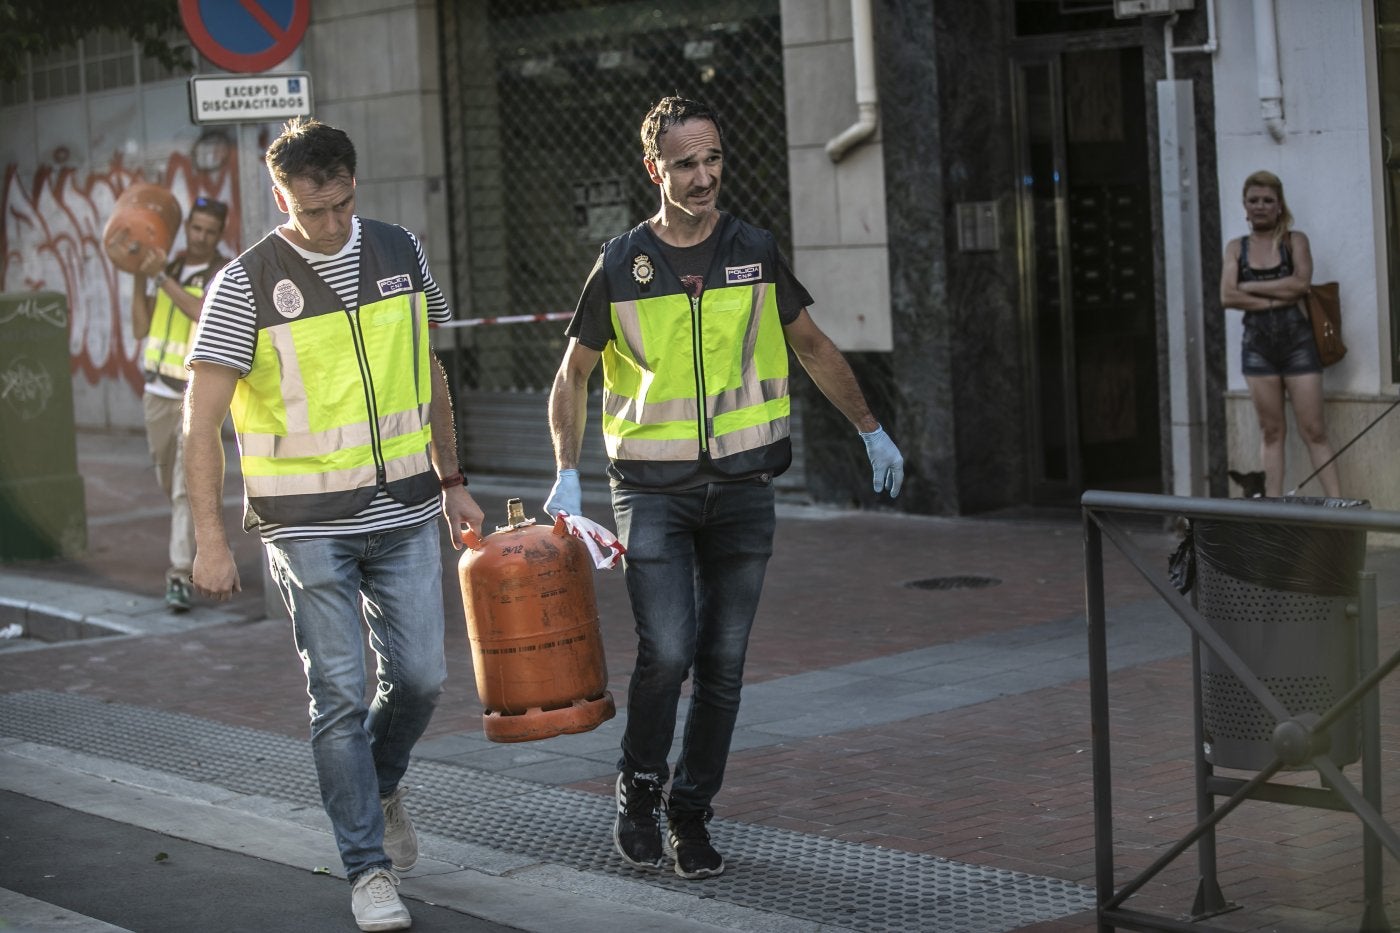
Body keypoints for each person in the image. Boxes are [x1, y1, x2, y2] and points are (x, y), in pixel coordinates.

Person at [545, 96, 903, 881]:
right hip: (653, 492)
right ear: (655, 170)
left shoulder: (753, 249)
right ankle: (640, 787)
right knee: (667, 652)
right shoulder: (619, 263)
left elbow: (809, 345)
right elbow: (570, 376)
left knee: (725, 665)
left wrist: (869, 425)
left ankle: (690, 812)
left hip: (743, 489)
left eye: (712, 160)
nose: (703, 176)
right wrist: (566, 472)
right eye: (685, 164)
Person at [183, 117, 484, 932]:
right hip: (305, 523)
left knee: (422, 679)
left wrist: (453, 478)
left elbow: (429, 372)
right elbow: (200, 419)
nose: (331, 225)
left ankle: (381, 784)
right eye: (313, 210)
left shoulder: (401, 251)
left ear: (355, 184)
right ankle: (367, 868)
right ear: (279, 196)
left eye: (343, 204)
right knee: (340, 694)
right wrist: (211, 540)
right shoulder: (243, 283)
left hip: (408, 509)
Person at [130, 196, 229, 611]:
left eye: (209, 231)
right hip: (156, 394)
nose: (201, 237)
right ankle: (185, 549)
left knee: (182, 492)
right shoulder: (166, 266)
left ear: (219, 235)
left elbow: (203, 313)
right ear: (187, 227)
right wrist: (140, 279)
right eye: (196, 228)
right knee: (167, 482)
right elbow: (140, 327)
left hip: (193, 397)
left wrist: (161, 280)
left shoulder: (220, 273)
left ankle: (177, 577)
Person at [1220, 170, 1341, 498]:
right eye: (1253, 200)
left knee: (1314, 430)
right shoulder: (1236, 248)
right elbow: (1227, 296)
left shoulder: (1294, 241)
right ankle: (1274, 512)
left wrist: (1250, 287)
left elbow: (1301, 284)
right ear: (1244, 207)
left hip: (1299, 345)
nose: (1260, 206)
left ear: (1279, 206)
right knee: (1271, 432)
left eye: (1267, 200)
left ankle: (1341, 508)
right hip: (1257, 348)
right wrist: (1279, 295)